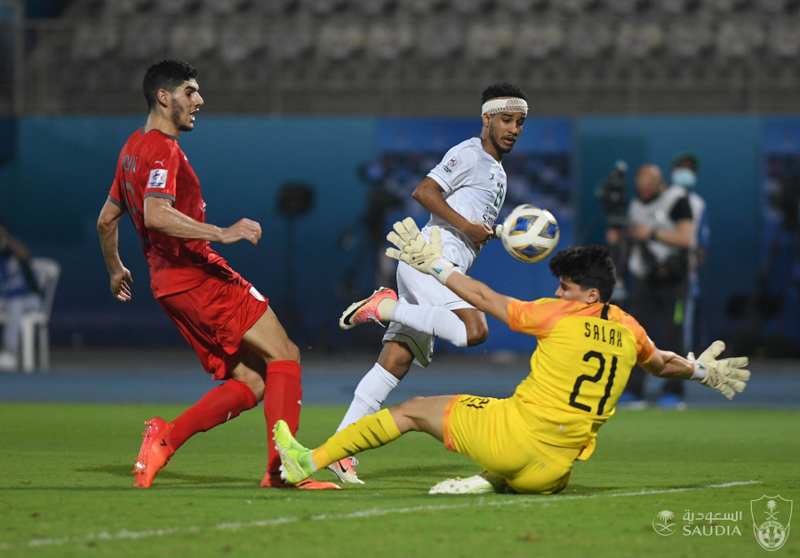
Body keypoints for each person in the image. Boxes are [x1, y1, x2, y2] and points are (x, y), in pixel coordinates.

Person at [274, 226, 749, 494]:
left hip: (513, 440)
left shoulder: (554, 316)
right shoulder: (630, 329)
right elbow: (664, 363)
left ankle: (306, 461)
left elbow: (482, 296)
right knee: (515, 426)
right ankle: (488, 481)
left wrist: (434, 264)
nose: (557, 292)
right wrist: (704, 371)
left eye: (566, 287)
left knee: (410, 410)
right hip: (555, 474)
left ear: (590, 294)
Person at [96, 59, 337, 490]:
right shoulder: (161, 149)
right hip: (196, 276)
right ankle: (283, 472)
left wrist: (116, 269)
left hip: (169, 287)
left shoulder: (132, 147)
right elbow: (155, 213)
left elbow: (105, 220)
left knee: (252, 380)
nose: (200, 100)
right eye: (191, 91)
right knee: (285, 354)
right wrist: (221, 233)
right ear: (164, 97)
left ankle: (165, 438)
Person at [329, 83, 529, 483]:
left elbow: (468, 219)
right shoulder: (469, 153)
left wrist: (479, 231)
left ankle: (339, 449)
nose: (513, 128)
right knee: (475, 330)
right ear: (487, 118)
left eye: (520, 122)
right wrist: (467, 226)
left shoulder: (497, 170)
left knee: (396, 361)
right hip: (430, 261)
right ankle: (383, 307)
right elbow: (425, 191)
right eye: (506, 119)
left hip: (444, 265)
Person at [609, 164, 694, 409]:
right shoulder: (636, 203)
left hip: (674, 280)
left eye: (648, 189)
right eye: (640, 189)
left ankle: (674, 392)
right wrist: (622, 236)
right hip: (646, 277)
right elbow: (636, 235)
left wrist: (653, 234)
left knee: (673, 335)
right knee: (635, 335)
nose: (644, 193)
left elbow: (686, 237)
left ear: (659, 183)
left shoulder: (677, 199)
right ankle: (635, 390)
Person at [670, 153, 710, 353]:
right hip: (653, 270)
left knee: (680, 317)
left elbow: (700, 243)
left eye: (691, 170)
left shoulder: (698, 204)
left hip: (683, 272)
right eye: (683, 168)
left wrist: (694, 263)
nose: (687, 173)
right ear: (673, 171)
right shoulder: (661, 198)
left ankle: (680, 357)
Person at [0, 220, 41, 371]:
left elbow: (25, 254)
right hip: (5, 299)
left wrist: (6, 239)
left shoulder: (14, 248)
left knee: (15, 303)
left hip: (29, 298)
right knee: (11, 302)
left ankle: (10, 352)